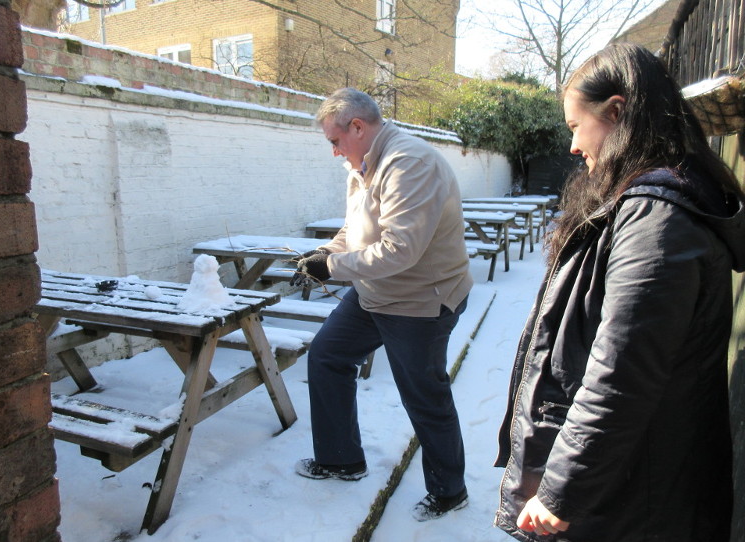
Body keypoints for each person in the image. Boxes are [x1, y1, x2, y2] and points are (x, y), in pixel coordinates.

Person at [494, 43, 745, 541]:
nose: (571, 146)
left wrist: (563, 489)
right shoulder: (652, 202)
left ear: (616, 112)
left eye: (574, 127)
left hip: (634, 501)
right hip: (632, 485)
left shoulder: (656, 218)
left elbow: (622, 372)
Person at [290, 87, 474, 521]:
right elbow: (357, 231)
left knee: (423, 394)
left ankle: (450, 491)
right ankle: (341, 460)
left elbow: (399, 251)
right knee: (328, 356)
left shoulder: (409, 164)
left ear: (358, 127)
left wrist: (331, 268)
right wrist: (323, 255)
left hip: (420, 300)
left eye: (335, 141)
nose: (335, 152)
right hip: (376, 291)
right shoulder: (364, 162)